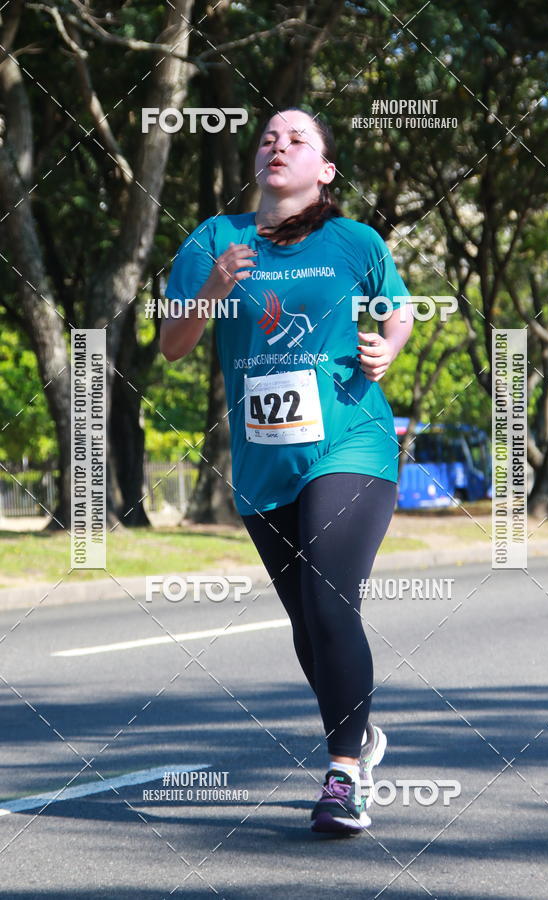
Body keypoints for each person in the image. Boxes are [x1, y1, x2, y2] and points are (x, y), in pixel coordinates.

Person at [160, 106, 414, 834]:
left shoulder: (353, 240)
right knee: (308, 617)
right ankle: (359, 734)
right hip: (264, 457)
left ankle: (343, 774)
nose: (279, 145)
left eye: (298, 138)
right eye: (269, 137)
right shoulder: (217, 237)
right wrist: (211, 286)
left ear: (325, 170)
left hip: (351, 441)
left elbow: (396, 312)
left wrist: (388, 347)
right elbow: (174, 344)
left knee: (332, 599)